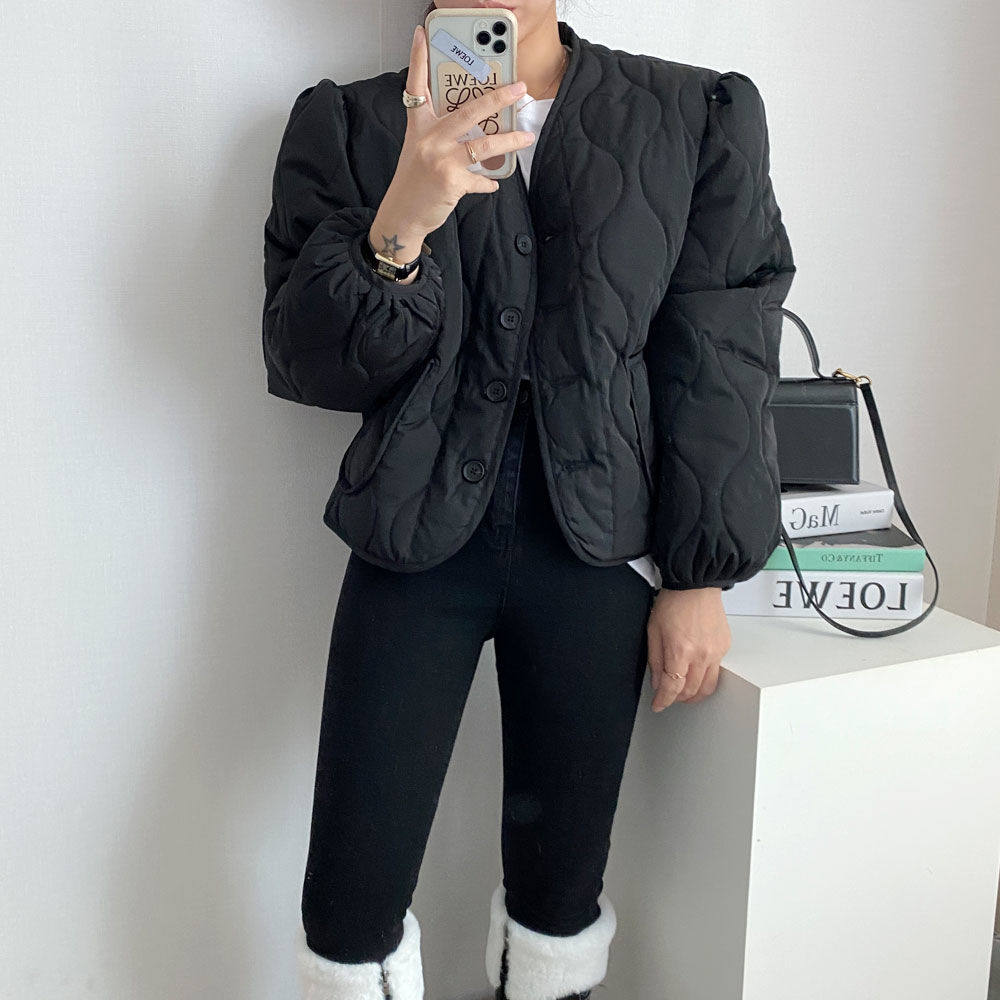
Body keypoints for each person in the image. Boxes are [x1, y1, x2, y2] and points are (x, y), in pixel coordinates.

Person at [261, 3, 795, 998]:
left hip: (599, 555)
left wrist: (699, 575)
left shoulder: (693, 113)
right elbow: (307, 365)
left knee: (560, 896)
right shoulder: (348, 122)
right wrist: (401, 223)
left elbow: (718, 353)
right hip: (413, 538)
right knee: (348, 908)